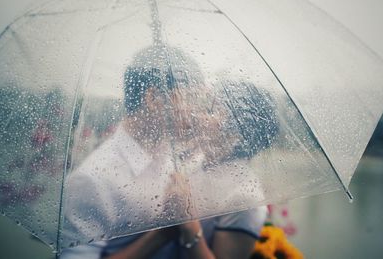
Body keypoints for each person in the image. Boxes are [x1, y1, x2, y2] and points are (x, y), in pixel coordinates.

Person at [61, 46, 278, 259]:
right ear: (154, 99)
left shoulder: (175, 156)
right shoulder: (91, 179)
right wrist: (163, 232)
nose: (195, 112)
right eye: (190, 99)